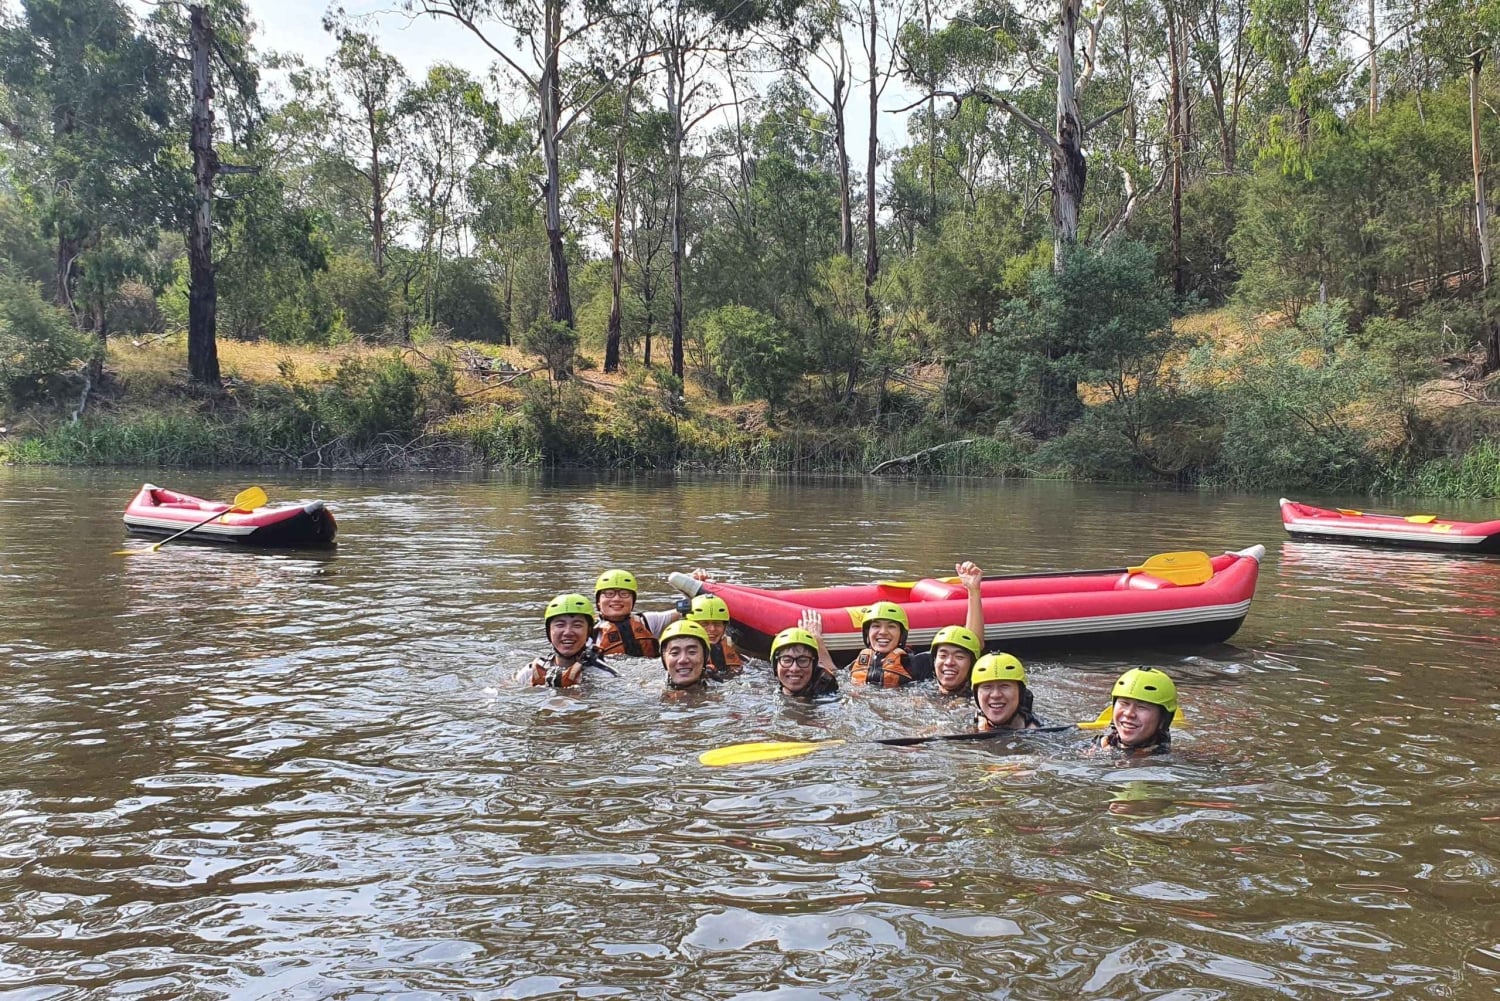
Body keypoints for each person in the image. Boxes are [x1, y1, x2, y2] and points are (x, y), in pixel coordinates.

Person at [851, 561, 986, 688]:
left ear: (902, 634)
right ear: (867, 633)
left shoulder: (918, 663)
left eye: (891, 626)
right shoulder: (858, 663)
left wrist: (973, 591)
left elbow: (971, 644)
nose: (883, 632)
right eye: (876, 626)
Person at [517, 593, 616, 688]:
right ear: (549, 631)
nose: (568, 632)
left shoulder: (605, 677)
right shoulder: (528, 673)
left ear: (589, 631)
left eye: (577, 625)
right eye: (560, 625)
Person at [1088, 667, 1183, 754]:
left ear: (1163, 720)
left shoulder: (1172, 760)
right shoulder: (1093, 748)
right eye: (1124, 703)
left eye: (1142, 707)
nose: (1129, 713)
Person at [590, 569, 680, 658]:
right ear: (598, 601)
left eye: (624, 594)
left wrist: (690, 584)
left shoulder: (647, 621)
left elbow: (687, 610)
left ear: (633, 600)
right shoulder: (589, 630)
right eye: (609, 593)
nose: (616, 599)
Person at [771, 610, 839, 698]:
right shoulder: (761, 693)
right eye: (787, 660)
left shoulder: (828, 692)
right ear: (775, 666)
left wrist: (819, 644)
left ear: (814, 665)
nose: (794, 669)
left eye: (803, 661)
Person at [970, 652, 1043, 731]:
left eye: (1004, 686)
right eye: (987, 687)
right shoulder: (966, 724)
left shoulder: (1039, 732)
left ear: (1020, 693)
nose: (995, 695)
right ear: (976, 694)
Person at [688, 593, 743, 680]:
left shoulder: (728, 646)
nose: (712, 629)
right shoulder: (680, 651)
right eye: (704, 624)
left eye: (717, 624)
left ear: (725, 627)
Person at [659, 618, 712, 690]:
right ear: (664, 658)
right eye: (675, 653)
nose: (683, 660)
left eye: (692, 652)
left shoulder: (719, 689)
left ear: (706, 656)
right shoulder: (651, 693)